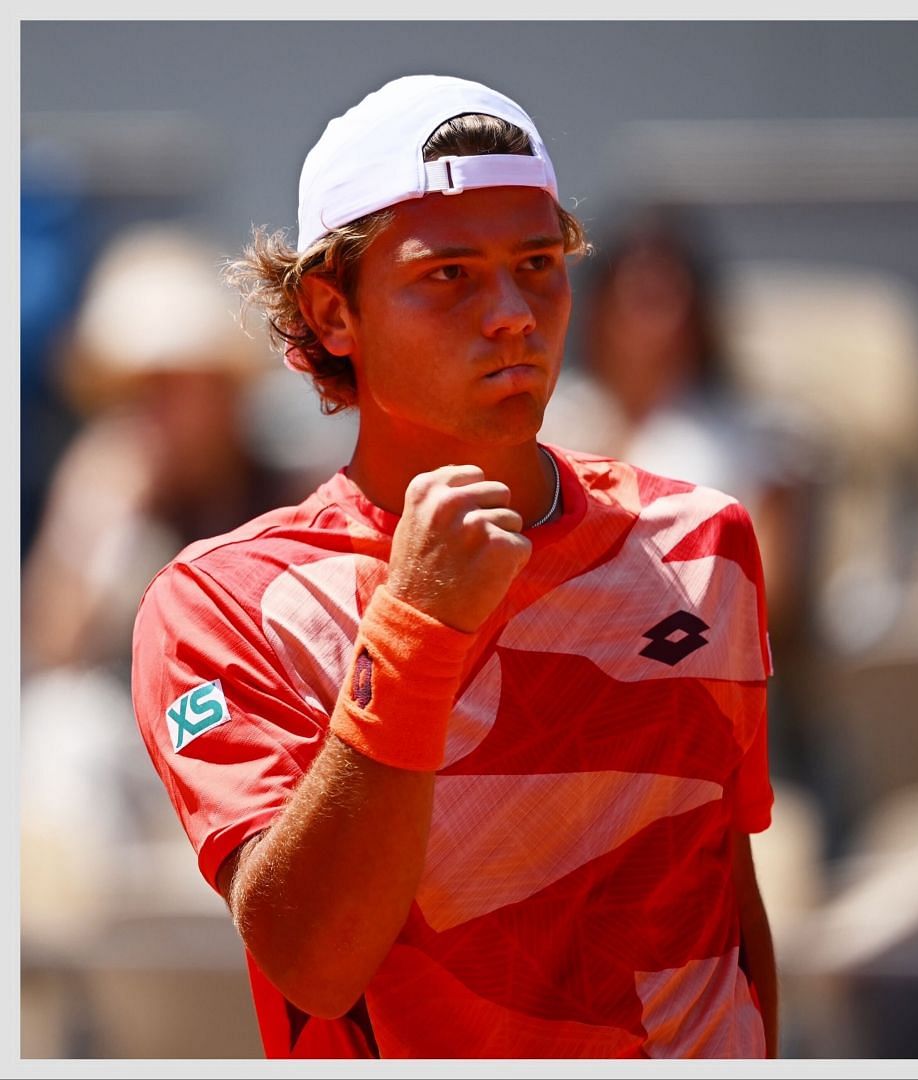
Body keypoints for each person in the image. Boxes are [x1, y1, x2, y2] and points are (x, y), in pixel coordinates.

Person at [130, 75, 777, 1058]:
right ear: (332, 313)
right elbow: (312, 959)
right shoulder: (223, 604)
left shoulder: (705, 543)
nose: (515, 312)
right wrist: (418, 627)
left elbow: (725, 912)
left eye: (538, 263)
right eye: (451, 275)